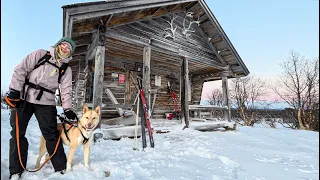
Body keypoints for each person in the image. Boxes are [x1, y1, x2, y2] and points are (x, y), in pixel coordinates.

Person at [5, 37, 78, 179]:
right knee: (17, 134)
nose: (65, 48)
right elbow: (21, 69)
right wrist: (14, 90)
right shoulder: (41, 54)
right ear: (58, 45)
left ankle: (60, 167)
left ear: (70, 53)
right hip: (24, 97)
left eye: (69, 48)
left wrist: (67, 109)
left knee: (51, 134)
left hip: (47, 102)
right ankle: (16, 170)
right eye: (64, 45)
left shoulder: (66, 69)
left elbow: (66, 90)